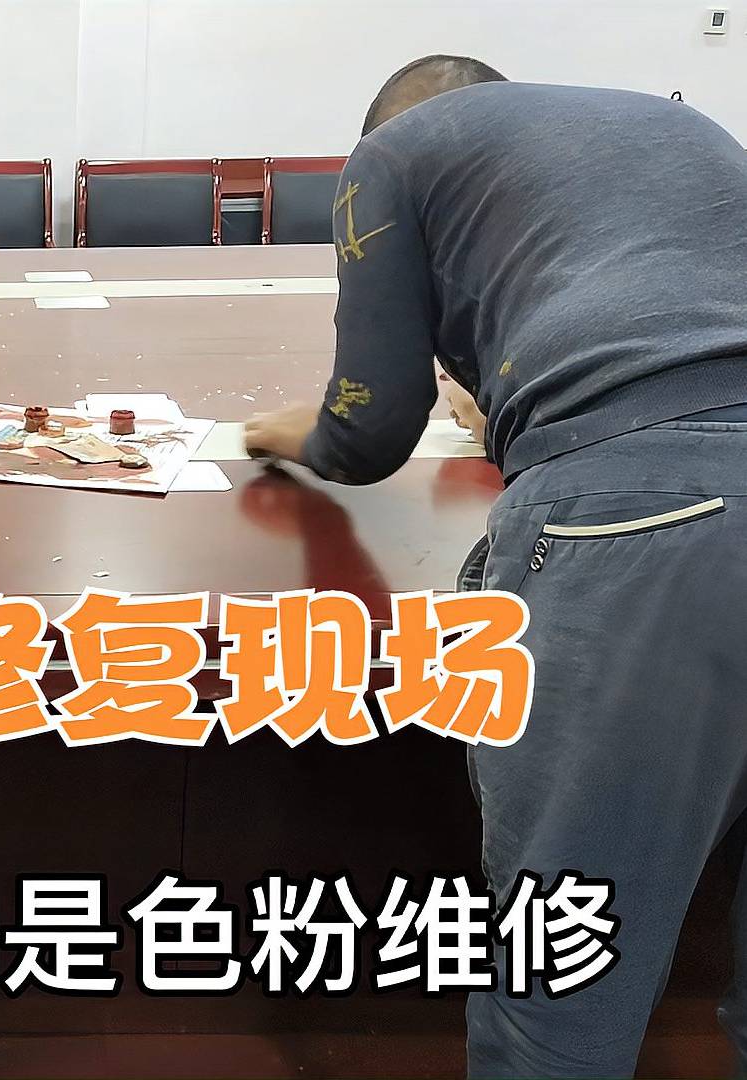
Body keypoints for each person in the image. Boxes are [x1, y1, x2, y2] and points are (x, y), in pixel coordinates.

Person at [245, 55, 747, 1078]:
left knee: (563, 984)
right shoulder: (678, 128)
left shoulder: (389, 156)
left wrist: (281, 433)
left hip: (653, 522)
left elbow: (368, 431)